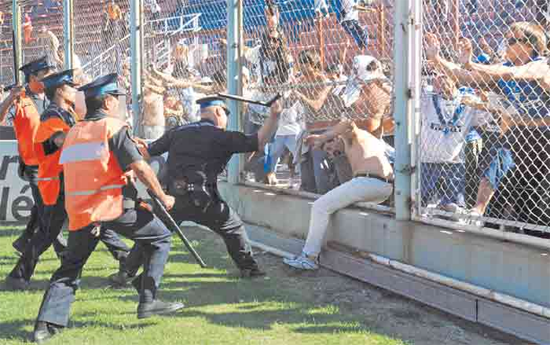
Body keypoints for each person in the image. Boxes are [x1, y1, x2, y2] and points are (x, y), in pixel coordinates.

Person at [33, 73, 183, 344]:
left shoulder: (75, 131)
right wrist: (162, 195)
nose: (120, 104)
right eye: (119, 99)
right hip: (110, 206)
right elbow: (140, 166)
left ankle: (44, 326)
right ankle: (148, 300)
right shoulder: (112, 128)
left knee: (70, 266)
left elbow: (88, 166)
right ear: (109, 101)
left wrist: (118, 173)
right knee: (160, 238)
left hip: (81, 210)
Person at [5, 70, 131, 291]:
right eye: (71, 87)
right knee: (47, 234)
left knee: (93, 221)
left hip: (66, 183)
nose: (75, 91)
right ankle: (18, 276)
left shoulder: (68, 113)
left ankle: (126, 260)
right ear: (61, 91)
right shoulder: (52, 116)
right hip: (55, 185)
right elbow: (58, 141)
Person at [136, 96, 282, 278]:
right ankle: (249, 269)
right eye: (226, 114)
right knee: (233, 227)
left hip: (173, 198)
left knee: (153, 233)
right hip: (204, 200)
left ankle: (126, 271)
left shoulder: (178, 131)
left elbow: (148, 152)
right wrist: (274, 116)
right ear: (219, 112)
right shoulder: (221, 136)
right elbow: (259, 141)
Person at [426, 22, 550, 227]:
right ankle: (477, 211)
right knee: (503, 150)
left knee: (538, 204)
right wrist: (436, 59)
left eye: (511, 40)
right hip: (523, 141)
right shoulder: (503, 70)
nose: (505, 45)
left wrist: (472, 63)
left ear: (529, 46)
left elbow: (514, 74)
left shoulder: (541, 66)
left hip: (544, 141)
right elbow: (465, 77)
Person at [283, 118, 394, 270]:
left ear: (336, 137)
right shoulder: (365, 141)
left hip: (369, 182)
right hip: (384, 187)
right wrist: (325, 141)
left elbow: (348, 122)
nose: (330, 152)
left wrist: (323, 137)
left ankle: (309, 257)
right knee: (339, 207)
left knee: (319, 206)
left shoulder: (352, 135)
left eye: (329, 147)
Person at [0, 57, 66, 260]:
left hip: (54, 163)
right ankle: (63, 250)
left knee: (44, 205)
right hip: (34, 164)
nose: (49, 78)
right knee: (48, 209)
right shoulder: (20, 99)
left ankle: (24, 239)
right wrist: (11, 97)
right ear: (32, 77)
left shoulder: (51, 97)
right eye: (44, 75)